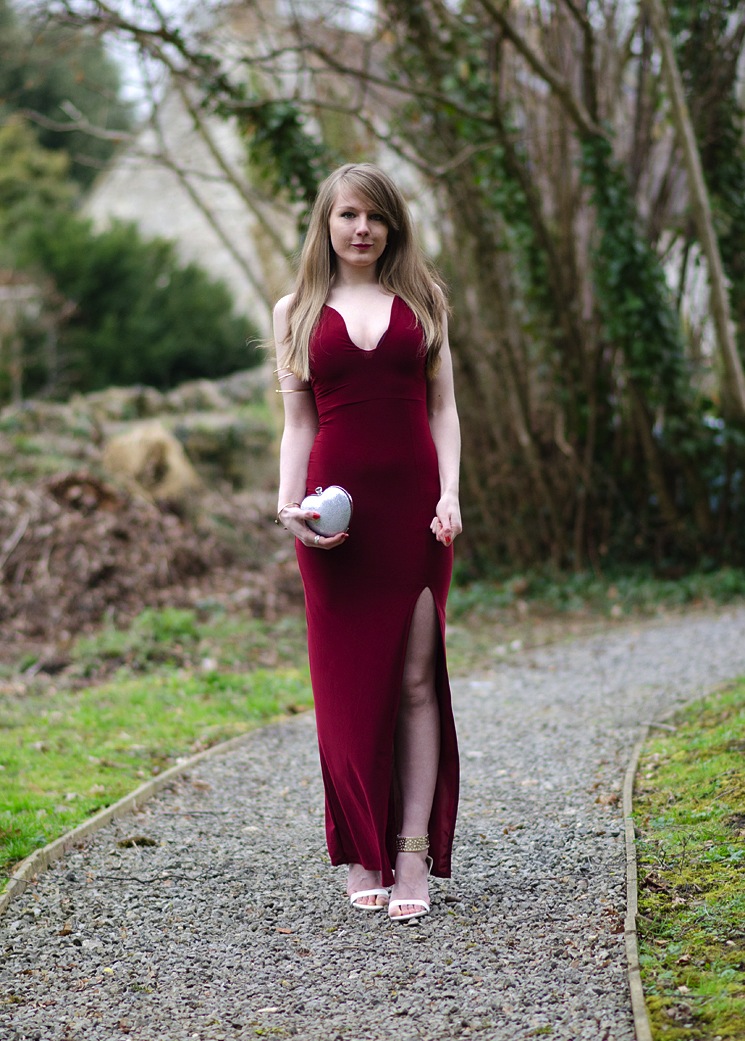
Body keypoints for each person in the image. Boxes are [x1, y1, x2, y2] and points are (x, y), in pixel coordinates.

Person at [273, 162, 461, 922]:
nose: (361, 228)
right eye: (348, 214)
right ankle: (361, 849)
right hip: (335, 520)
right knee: (349, 689)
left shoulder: (424, 302)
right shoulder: (294, 309)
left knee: (416, 682)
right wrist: (287, 504)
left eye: (375, 217)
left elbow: (444, 410)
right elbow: (299, 423)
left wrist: (450, 493)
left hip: (416, 511)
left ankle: (410, 852)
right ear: (326, 222)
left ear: (392, 226)